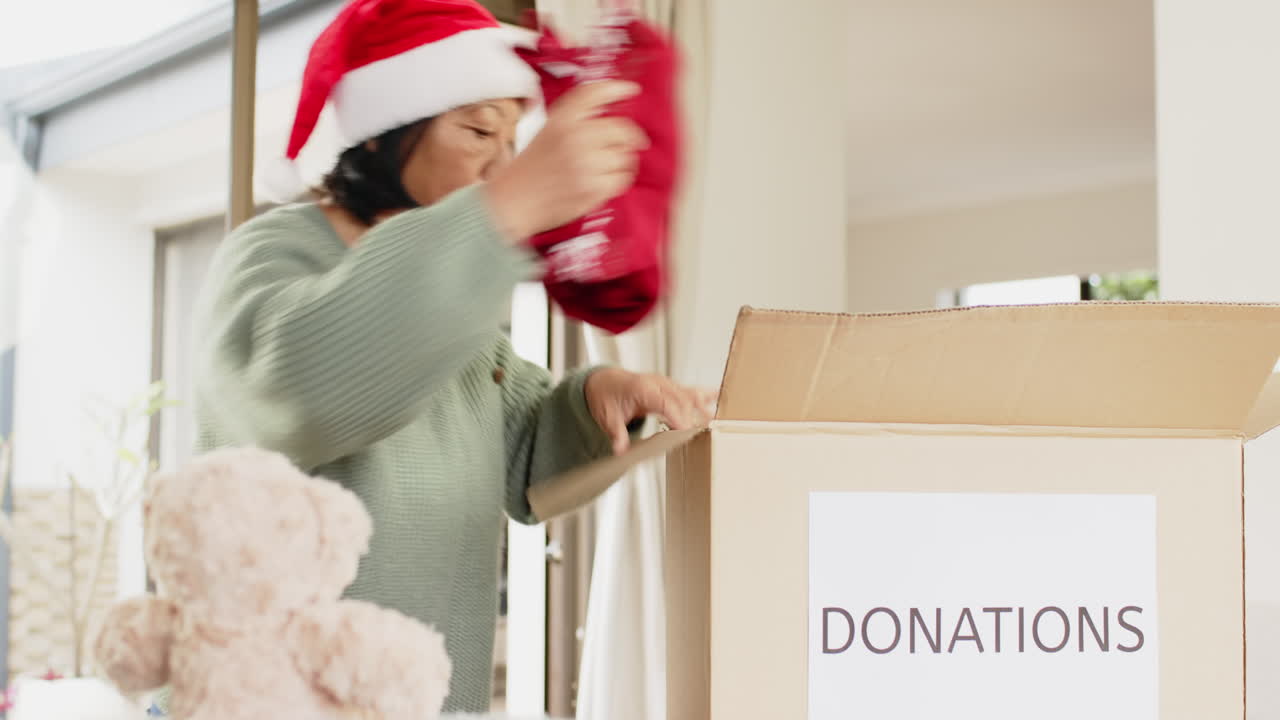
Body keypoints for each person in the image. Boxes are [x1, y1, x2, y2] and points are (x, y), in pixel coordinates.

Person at [189, 0, 711, 713]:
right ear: (382, 133)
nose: (500, 161)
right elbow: (298, 386)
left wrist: (597, 401)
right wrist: (507, 206)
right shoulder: (274, 251)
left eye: (510, 140)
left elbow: (525, 445)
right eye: (475, 131)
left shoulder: (456, 294)